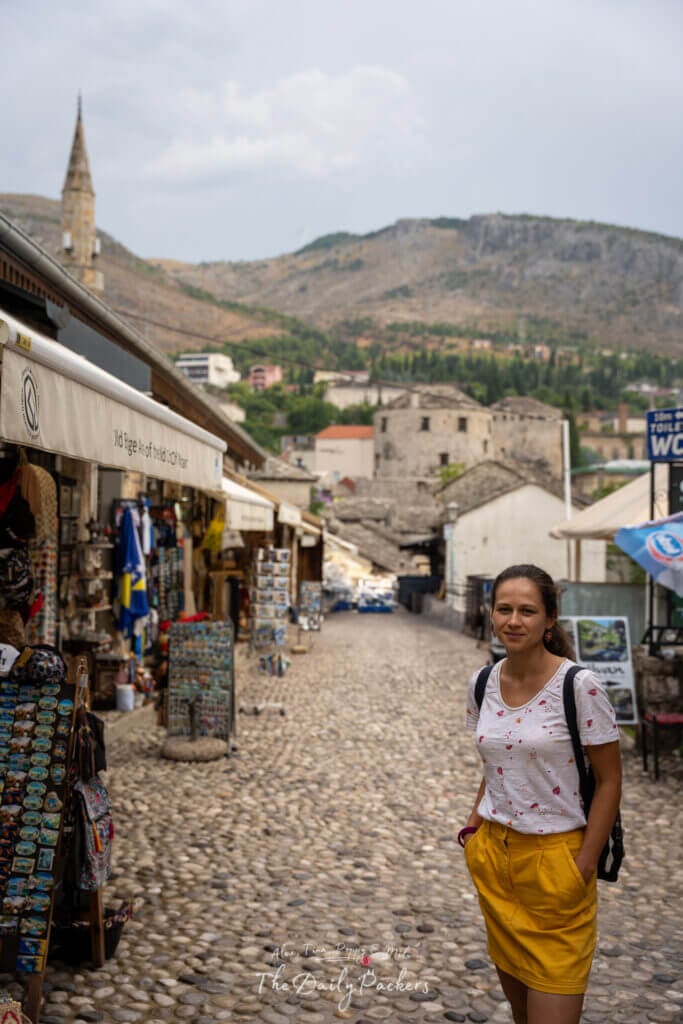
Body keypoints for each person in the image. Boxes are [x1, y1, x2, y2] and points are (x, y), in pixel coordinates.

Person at [460, 564, 621, 1024]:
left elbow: (610, 780)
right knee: (521, 1014)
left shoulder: (579, 687)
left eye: (527, 611)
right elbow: (497, 763)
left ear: (550, 618)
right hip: (495, 859)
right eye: (504, 609)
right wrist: (472, 831)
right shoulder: (482, 683)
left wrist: (583, 865)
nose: (514, 620)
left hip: (556, 865)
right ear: (491, 614)